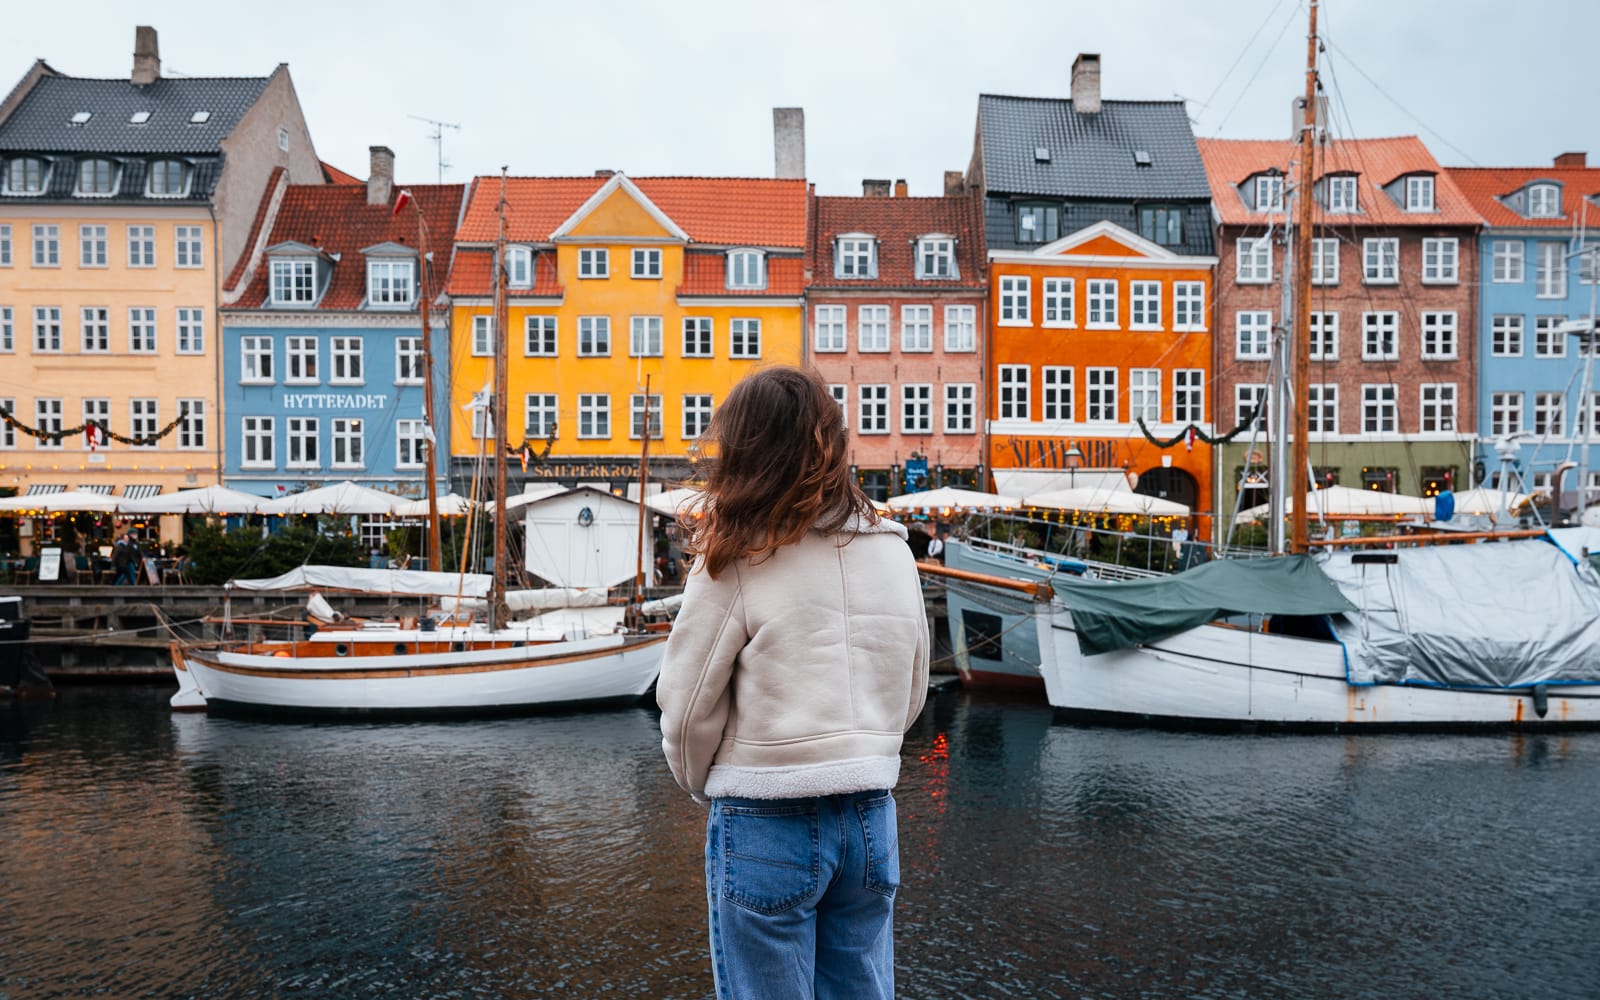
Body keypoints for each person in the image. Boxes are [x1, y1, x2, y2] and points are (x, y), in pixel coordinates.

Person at [657, 366, 929, 1000]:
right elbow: (912, 686)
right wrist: (869, 747)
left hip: (767, 814)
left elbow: (686, 705)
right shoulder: (893, 549)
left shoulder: (738, 555)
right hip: (869, 814)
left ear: (744, 449)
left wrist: (709, 785)